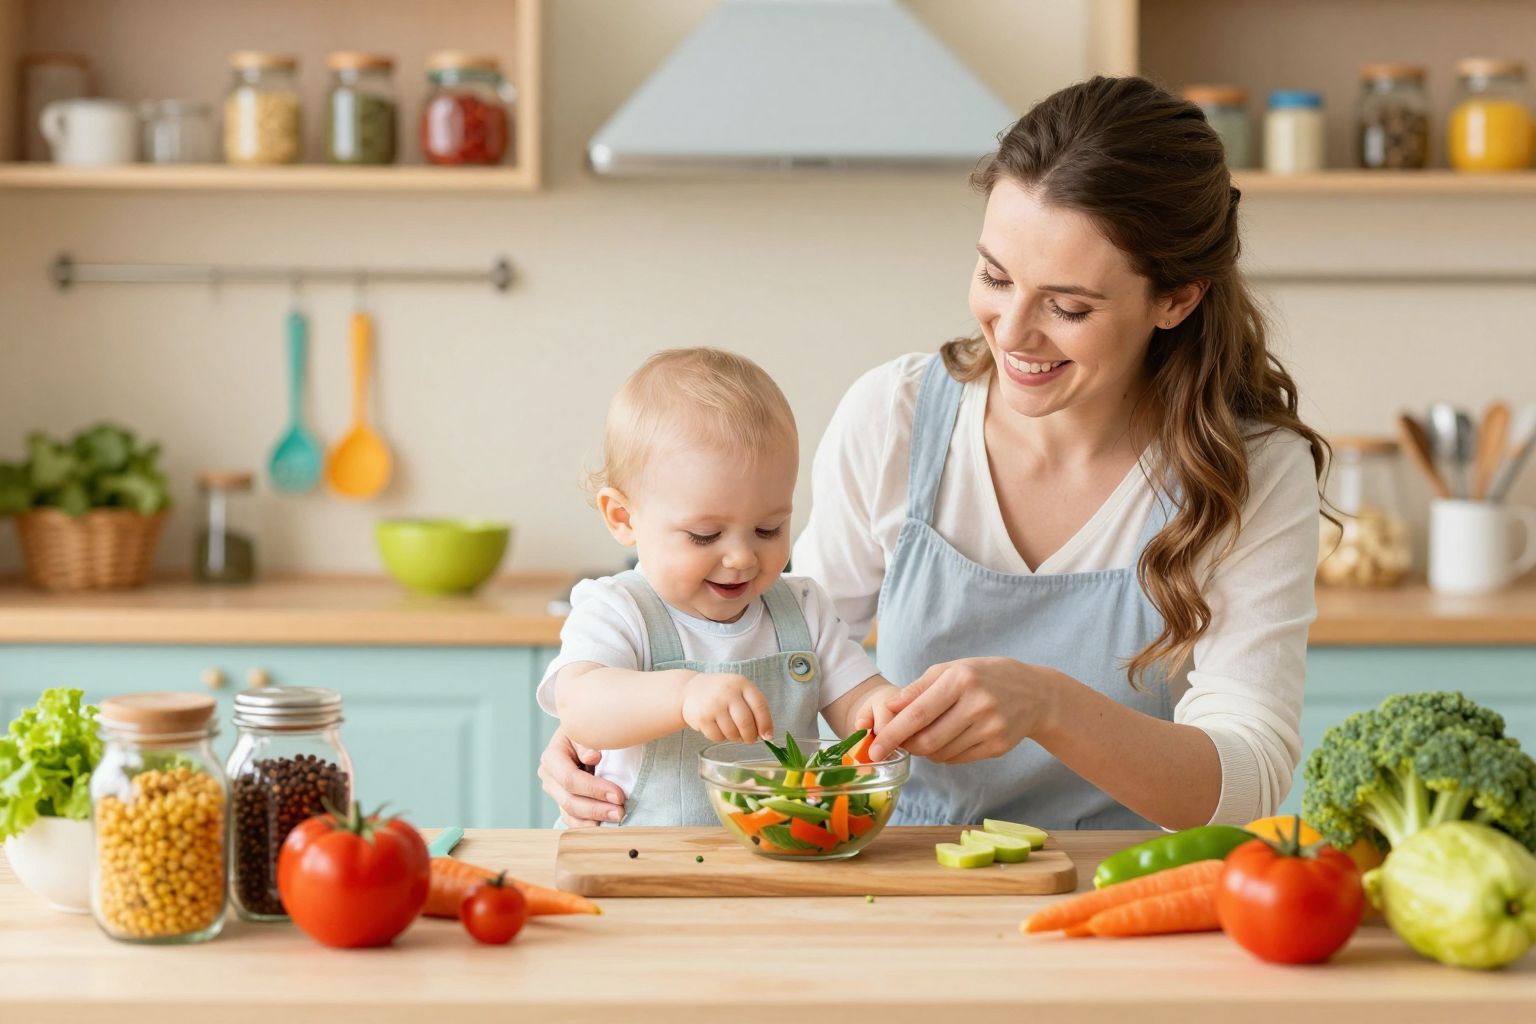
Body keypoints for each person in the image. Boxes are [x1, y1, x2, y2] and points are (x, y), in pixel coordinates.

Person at [540, 76, 1326, 832]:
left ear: (1176, 299)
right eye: (994, 276)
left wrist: (1048, 705)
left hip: (1121, 884)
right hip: (908, 871)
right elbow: (780, 647)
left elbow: (1247, 777)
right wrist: (615, 730)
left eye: (1068, 306)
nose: (1012, 332)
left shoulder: (1250, 473)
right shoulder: (897, 418)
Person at [536, 347, 896, 826]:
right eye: (705, 535)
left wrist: (889, 713)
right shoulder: (618, 609)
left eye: (768, 529)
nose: (742, 557)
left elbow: (859, 703)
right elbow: (581, 707)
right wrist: (684, 695)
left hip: (771, 863)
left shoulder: (803, 608)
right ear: (623, 518)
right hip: (635, 870)